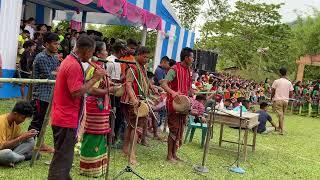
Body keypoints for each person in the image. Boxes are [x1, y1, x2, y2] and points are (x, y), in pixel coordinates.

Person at [48, 36, 105, 179]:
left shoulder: (71, 61)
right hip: (66, 118)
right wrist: (95, 79)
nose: (92, 56)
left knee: (63, 158)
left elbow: (78, 88)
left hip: (64, 117)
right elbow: (76, 92)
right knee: (62, 161)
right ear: (85, 50)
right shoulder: (73, 65)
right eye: (92, 52)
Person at [79, 41, 113, 177]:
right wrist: (109, 90)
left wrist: (110, 85)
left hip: (101, 106)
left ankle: (97, 167)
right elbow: (91, 89)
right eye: (105, 50)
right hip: (95, 106)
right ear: (98, 54)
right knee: (93, 135)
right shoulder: (94, 68)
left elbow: (101, 85)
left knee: (100, 135)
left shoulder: (100, 66)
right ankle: (88, 168)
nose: (106, 53)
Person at [122, 46, 157, 165]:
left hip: (139, 100)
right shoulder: (132, 67)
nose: (147, 59)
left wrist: (152, 87)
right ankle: (131, 155)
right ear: (139, 54)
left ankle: (126, 149)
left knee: (131, 126)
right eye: (145, 56)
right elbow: (128, 84)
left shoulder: (142, 67)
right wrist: (133, 99)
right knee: (136, 127)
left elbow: (145, 80)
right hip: (134, 101)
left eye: (148, 57)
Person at [29, 32, 60, 153]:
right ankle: (29, 144)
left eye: (58, 43)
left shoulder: (54, 57)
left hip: (50, 94)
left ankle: (39, 144)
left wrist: (56, 73)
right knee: (37, 121)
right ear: (47, 44)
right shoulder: (41, 57)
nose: (57, 46)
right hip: (41, 95)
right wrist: (56, 73)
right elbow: (51, 77)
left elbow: (57, 73)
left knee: (43, 122)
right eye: (54, 43)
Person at [161, 47, 193, 163]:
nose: (193, 59)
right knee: (174, 129)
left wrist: (190, 91)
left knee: (180, 129)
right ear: (186, 58)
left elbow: (188, 87)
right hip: (174, 105)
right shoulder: (174, 69)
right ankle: (169, 156)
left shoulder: (189, 70)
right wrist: (173, 93)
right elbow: (164, 84)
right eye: (192, 57)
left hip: (183, 106)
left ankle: (174, 154)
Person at [0, 101, 36, 167]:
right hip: (3, 151)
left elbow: (15, 139)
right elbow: (2, 146)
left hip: (9, 150)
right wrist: (22, 137)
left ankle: (12, 159)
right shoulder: (1, 122)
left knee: (30, 139)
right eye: (23, 117)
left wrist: (27, 135)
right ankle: (24, 157)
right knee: (7, 153)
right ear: (15, 113)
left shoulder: (15, 123)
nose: (23, 120)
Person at [106, 41, 127, 145]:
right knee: (113, 116)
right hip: (111, 93)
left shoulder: (117, 61)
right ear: (120, 50)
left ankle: (112, 138)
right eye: (124, 49)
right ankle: (109, 138)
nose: (126, 52)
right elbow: (110, 79)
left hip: (115, 91)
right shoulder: (111, 61)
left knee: (117, 116)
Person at [271, 67, 294, 135]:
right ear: (286, 73)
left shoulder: (276, 81)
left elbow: (273, 91)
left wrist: (271, 97)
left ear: (279, 73)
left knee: (280, 115)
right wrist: (287, 97)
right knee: (282, 115)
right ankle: (279, 127)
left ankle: (281, 130)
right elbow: (291, 92)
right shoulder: (289, 82)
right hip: (285, 101)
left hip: (278, 100)